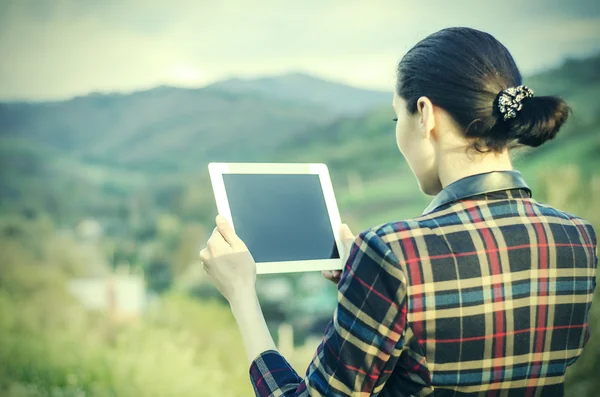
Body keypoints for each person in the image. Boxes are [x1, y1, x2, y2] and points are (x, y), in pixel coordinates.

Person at [199, 27, 597, 396]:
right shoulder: (579, 239)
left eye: (397, 116)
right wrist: (367, 288)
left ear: (425, 114)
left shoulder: (393, 253)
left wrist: (241, 293)